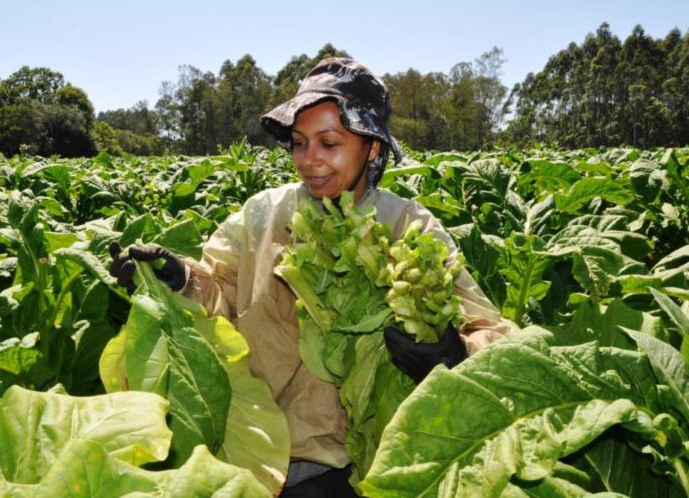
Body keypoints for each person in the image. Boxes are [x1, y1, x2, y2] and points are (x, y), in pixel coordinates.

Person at [110, 58, 510, 497]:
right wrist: (180, 277)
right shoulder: (264, 214)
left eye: (329, 143)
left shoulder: (406, 226)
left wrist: (453, 354)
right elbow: (220, 292)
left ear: (372, 148)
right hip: (259, 444)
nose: (310, 160)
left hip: (358, 461)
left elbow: (489, 330)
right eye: (300, 143)